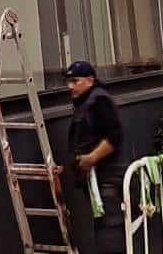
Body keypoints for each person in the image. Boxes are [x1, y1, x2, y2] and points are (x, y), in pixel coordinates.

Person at [58, 60, 126, 254]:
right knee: (103, 230)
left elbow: (115, 136)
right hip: (96, 180)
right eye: (68, 81)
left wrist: (92, 158)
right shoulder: (84, 103)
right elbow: (84, 142)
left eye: (75, 81)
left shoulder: (99, 100)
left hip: (108, 179)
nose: (70, 86)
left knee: (109, 234)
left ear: (90, 80)